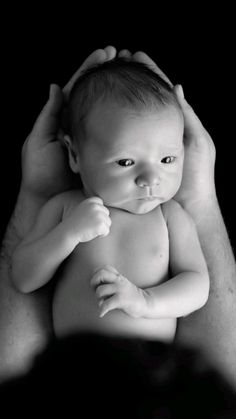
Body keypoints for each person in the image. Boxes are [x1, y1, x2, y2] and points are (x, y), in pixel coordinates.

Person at [0, 46, 235, 389]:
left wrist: (146, 301)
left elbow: (198, 286)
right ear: (74, 156)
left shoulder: (171, 217)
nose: (151, 178)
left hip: (157, 375)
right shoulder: (66, 208)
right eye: (126, 162)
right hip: (69, 371)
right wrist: (67, 234)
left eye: (168, 159)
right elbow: (23, 278)